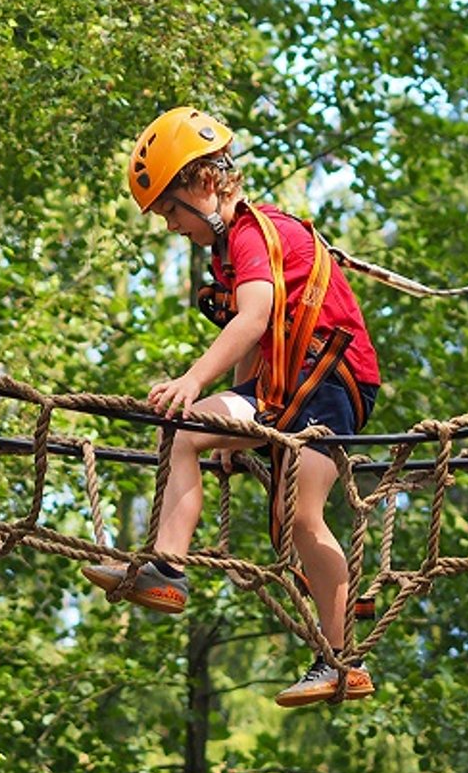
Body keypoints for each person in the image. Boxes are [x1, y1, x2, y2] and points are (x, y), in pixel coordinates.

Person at [82, 106, 383, 708]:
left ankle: (342, 660)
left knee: (302, 517)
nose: (171, 226)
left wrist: (195, 380)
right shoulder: (232, 250)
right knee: (189, 434)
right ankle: (166, 570)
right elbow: (261, 346)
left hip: (326, 384)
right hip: (287, 386)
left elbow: (256, 318)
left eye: (170, 209)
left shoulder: (251, 234)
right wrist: (230, 430)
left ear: (201, 183)